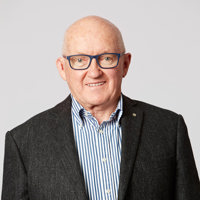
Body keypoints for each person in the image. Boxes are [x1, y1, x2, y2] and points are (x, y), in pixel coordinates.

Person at [1, 15, 200, 200]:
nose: (94, 72)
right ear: (63, 68)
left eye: (106, 58)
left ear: (125, 64)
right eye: (80, 60)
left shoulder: (169, 129)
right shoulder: (23, 142)